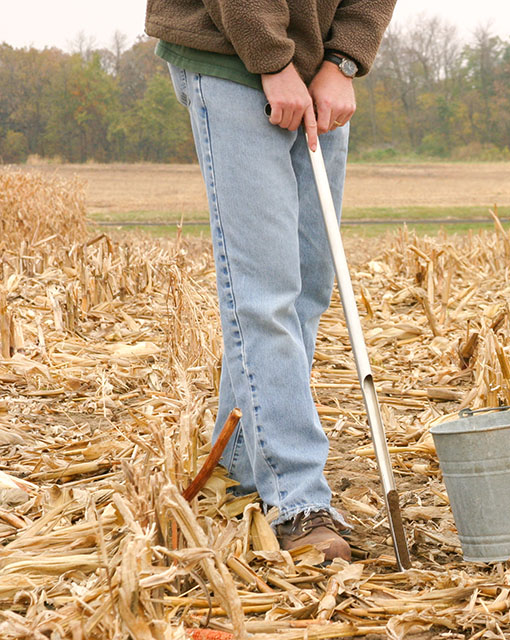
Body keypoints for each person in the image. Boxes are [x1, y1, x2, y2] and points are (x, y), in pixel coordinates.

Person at [145, 0, 396, 562]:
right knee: (265, 294)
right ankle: (297, 500)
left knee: (307, 286)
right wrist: (270, 58)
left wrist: (345, 60)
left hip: (317, 68)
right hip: (234, 53)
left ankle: (234, 475)